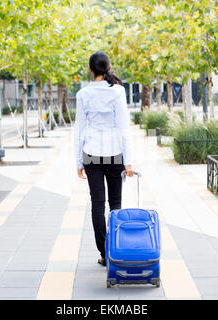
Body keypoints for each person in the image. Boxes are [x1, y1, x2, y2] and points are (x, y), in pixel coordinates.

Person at [74, 51, 134, 267]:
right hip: (115, 153)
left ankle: (104, 252)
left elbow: (79, 129)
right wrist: (128, 161)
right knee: (115, 204)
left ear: (91, 69)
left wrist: (78, 162)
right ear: (109, 68)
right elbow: (123, 128)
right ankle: (116, 251)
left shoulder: (83, 94)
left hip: (91, 153)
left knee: (97, 205)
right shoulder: (118, 92)